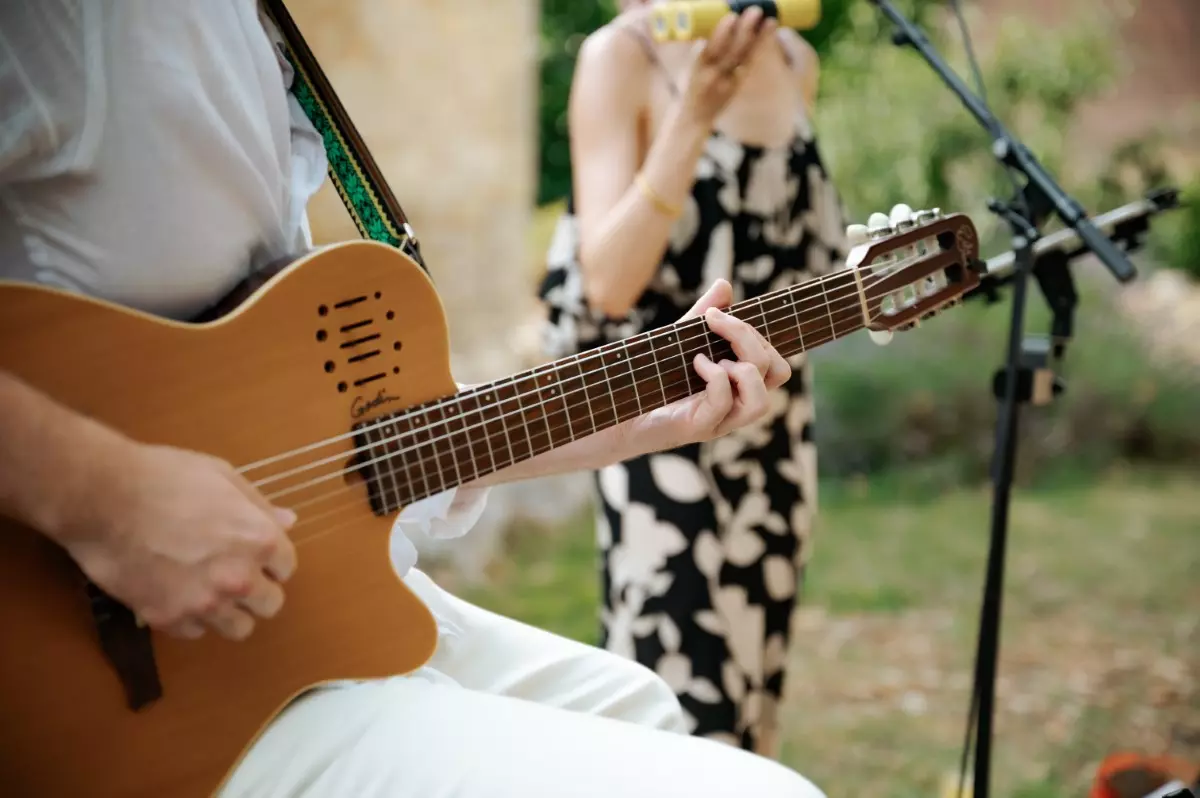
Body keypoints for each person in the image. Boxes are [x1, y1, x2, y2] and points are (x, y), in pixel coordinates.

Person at [0, 3, 826, 797]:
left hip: (307, 611)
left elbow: (362, 447)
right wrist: (104, 498)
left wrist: (632, 419)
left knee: (639, 706)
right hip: (119, 680)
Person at [537, 0, 849, 757]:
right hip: (652, 425)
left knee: (751, 691)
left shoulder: (795, 61)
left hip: (774, 425)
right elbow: (609, 282)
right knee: (673, 710)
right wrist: (695, 111)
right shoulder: (621, 57)